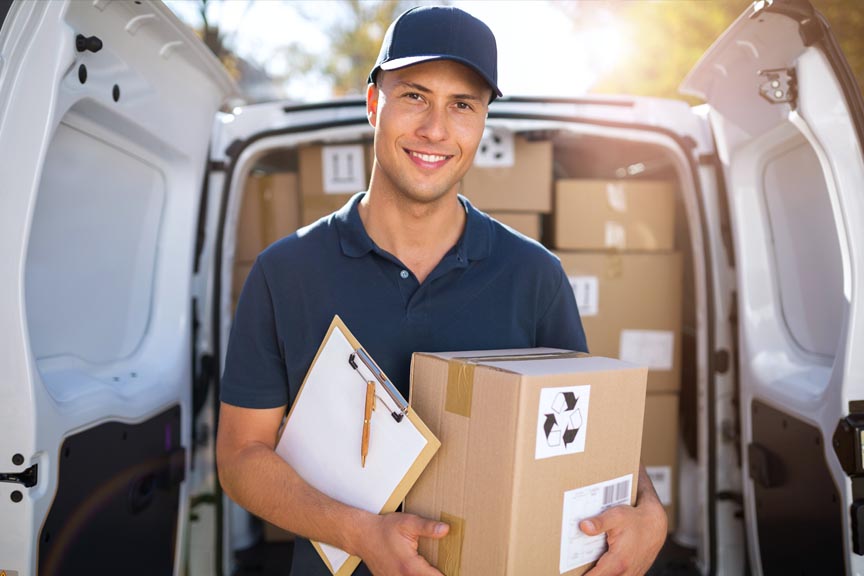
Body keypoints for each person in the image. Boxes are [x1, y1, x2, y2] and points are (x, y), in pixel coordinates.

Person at [217, 6, 667, 576]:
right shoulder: (285, 272)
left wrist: (649, 511)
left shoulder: (533, 275)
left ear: (482, 123)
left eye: (462, 105)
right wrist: (362, 534)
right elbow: (240, 457)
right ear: (374, 102)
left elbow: (588, 430)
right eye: (414, 96)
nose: (435, 129)